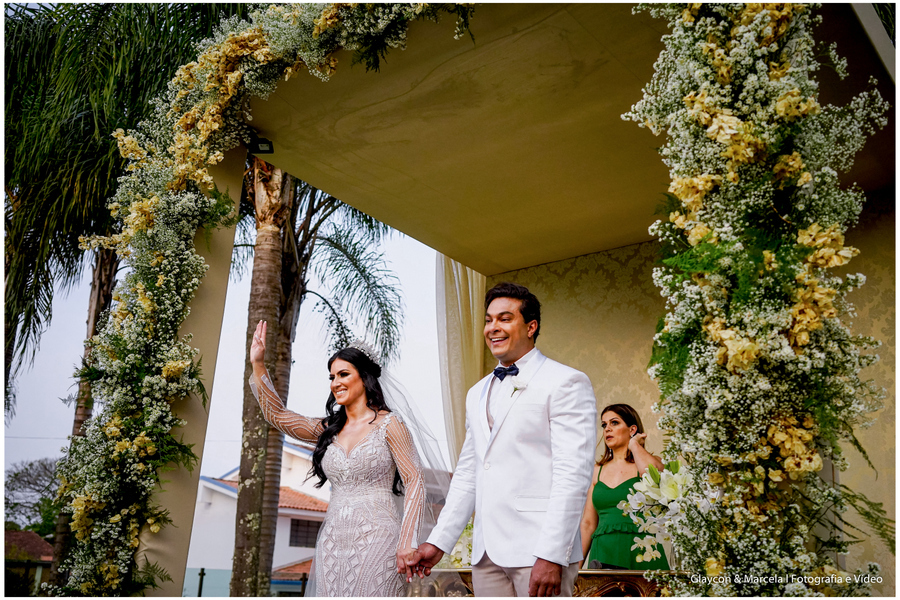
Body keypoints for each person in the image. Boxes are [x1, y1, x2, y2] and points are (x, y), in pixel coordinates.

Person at [411, 282, 597, 597]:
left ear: (531, 326)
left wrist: (552, 554)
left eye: (505, 318)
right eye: (488, 320)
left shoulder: (566, 382)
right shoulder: (476, 392)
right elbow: (469, 473)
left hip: (539, 550)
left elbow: (573, 475)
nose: (493, 328)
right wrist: (438, 541)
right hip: (486, 553)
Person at [248, 320, 428, 596]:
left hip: (379, 537)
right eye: (332, 377)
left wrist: (408, 541)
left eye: (343, 374)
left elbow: (414, 480)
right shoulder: (327, 428)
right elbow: (277, 416)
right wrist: (258, 364)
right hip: (333, 539)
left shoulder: (390, 425)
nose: (335, 383)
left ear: (364, 377)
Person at [579, 403, 670, 570]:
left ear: (632, 429)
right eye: (604, 425)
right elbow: (588, 524)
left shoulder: (651, 462)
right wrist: (574, 571)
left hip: (642, 552)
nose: (607, 429)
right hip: (603, 552)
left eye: (614, 423)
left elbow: (651, 475)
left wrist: (635, 445)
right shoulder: (596, 472)